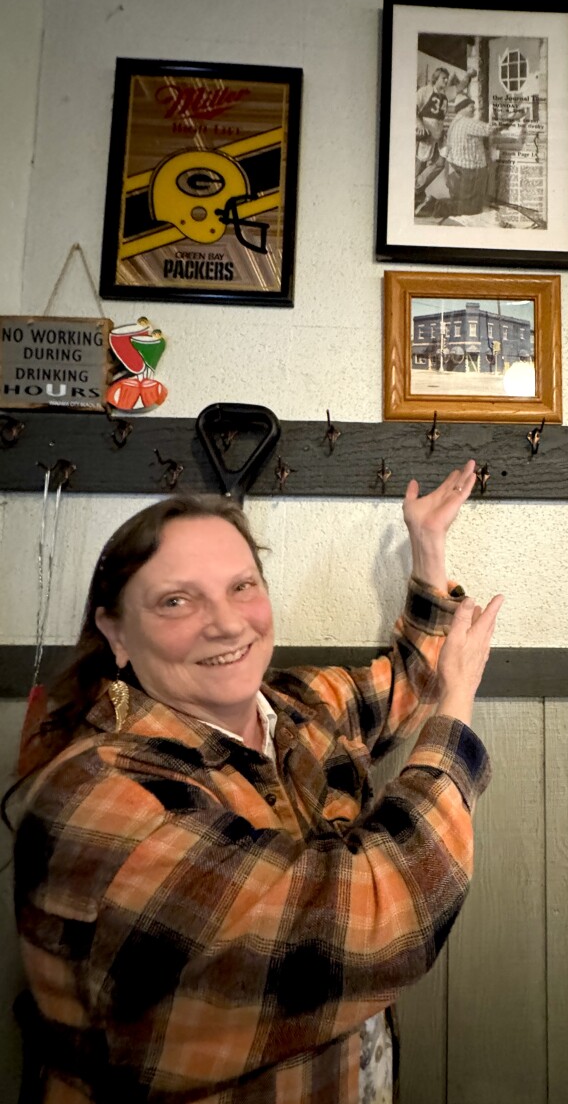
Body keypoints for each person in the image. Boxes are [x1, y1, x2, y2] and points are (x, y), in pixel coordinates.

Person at [10, 460, 502, 1104]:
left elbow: (408, 678)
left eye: (242, 586)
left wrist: (428, 547)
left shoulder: (295, 709)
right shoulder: (97, 800)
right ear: (116, 633)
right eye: (177, 600)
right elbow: (380, 920)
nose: (226, 622)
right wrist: (457, 705)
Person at [435, 95, 529, 218]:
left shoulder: (455, 121)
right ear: (462, 108)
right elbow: (490, 129)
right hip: (470, 170)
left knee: (468, 202)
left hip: (457, 167)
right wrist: (514, 118)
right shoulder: (467, 122)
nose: (474, 110)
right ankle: (440, 206)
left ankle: (439, 205)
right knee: (471, 209)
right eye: (471, 107)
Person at [414, 67, 450, 207]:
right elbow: (412, 108)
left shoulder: (444, 96)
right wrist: (420, 125)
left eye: (447, 78)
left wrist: (443, 131)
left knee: (440, 163)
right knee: (419, 165)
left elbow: (440, 118)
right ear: (436, 78)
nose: (446, 81)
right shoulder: (424, 91)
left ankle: (417, 188)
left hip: (437, 137)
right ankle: (414, 195)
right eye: (443, 78)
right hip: (424, 135)